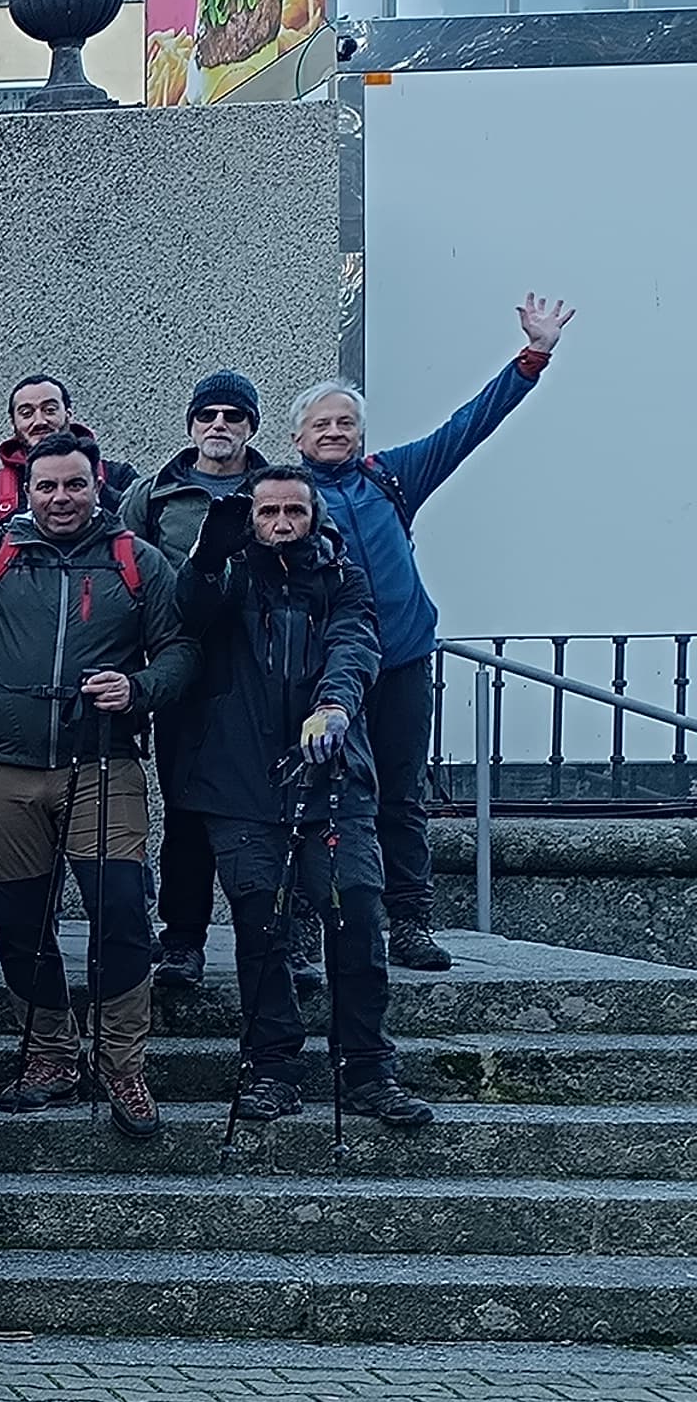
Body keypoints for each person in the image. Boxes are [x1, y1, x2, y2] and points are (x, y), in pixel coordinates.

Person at [0, 432, 198, 1136]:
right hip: (0, 762)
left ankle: (122, 1063)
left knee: (119, 908)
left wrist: (141, 687)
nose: (61, 499)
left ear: (98, 487)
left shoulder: (137, 560)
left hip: (102, 761)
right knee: (20, 921)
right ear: (27, 491)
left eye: (74, 486)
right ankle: (51, 1053)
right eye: (47, 487)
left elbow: (182, 649)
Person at [287, 292, 572, 970]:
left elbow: (466, 428)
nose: (334, 431)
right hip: (324, 676)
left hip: (405, 662)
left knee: (401, 794)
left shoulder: (391, 477)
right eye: (321, 424)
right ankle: (300, 925)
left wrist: (534, 356)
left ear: (359, 433)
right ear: (296, 439)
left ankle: (408, 922)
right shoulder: (282, 495)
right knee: (311, 799)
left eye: (345, 422)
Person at [176, 468, 433, 1132]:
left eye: (295, 510)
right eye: (270, 511)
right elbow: (190, 612)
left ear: (314, 516)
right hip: (238, 782)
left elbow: (356, 644)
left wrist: (335, 705)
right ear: (254, 518)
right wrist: (211, 550)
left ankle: (370, 1068)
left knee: (356, 917)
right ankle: (271, 1067)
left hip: (333, 779)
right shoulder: (230, 571)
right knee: (260, 929)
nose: (282, 521)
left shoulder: (342, 577)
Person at [129, 370, 276, 1004]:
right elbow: (124, 575)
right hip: (184, 667)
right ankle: (183, 937)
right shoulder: (152, 494)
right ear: (191, 424)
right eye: (207, 415)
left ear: (251, 426)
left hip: (263, 672)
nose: (219, 426)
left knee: (273, 809)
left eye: (233, 416)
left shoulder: (278, 490)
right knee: (186, 808)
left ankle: (283, 937)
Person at [0, 372, 119, 532]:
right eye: (27, 413)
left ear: (68, 415)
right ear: (13, 423)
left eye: (50, 410)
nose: (39, 421)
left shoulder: (118, 479)